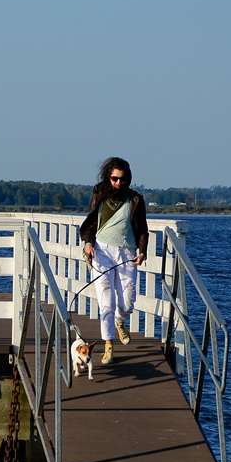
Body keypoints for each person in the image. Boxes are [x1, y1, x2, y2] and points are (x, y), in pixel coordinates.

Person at [79, 156, 148, 365]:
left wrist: (142, 250)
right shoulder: (99, 193)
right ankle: (108, 345)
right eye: (115, 178)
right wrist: (88, 243)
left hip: (126, 252)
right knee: (106, 301)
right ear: (108, 176)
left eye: (123, 179)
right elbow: (91, 222)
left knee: (127, 301)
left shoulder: (135, 199)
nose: (118, 183)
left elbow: (142, 229)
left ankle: (120, 321)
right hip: (101, 251)